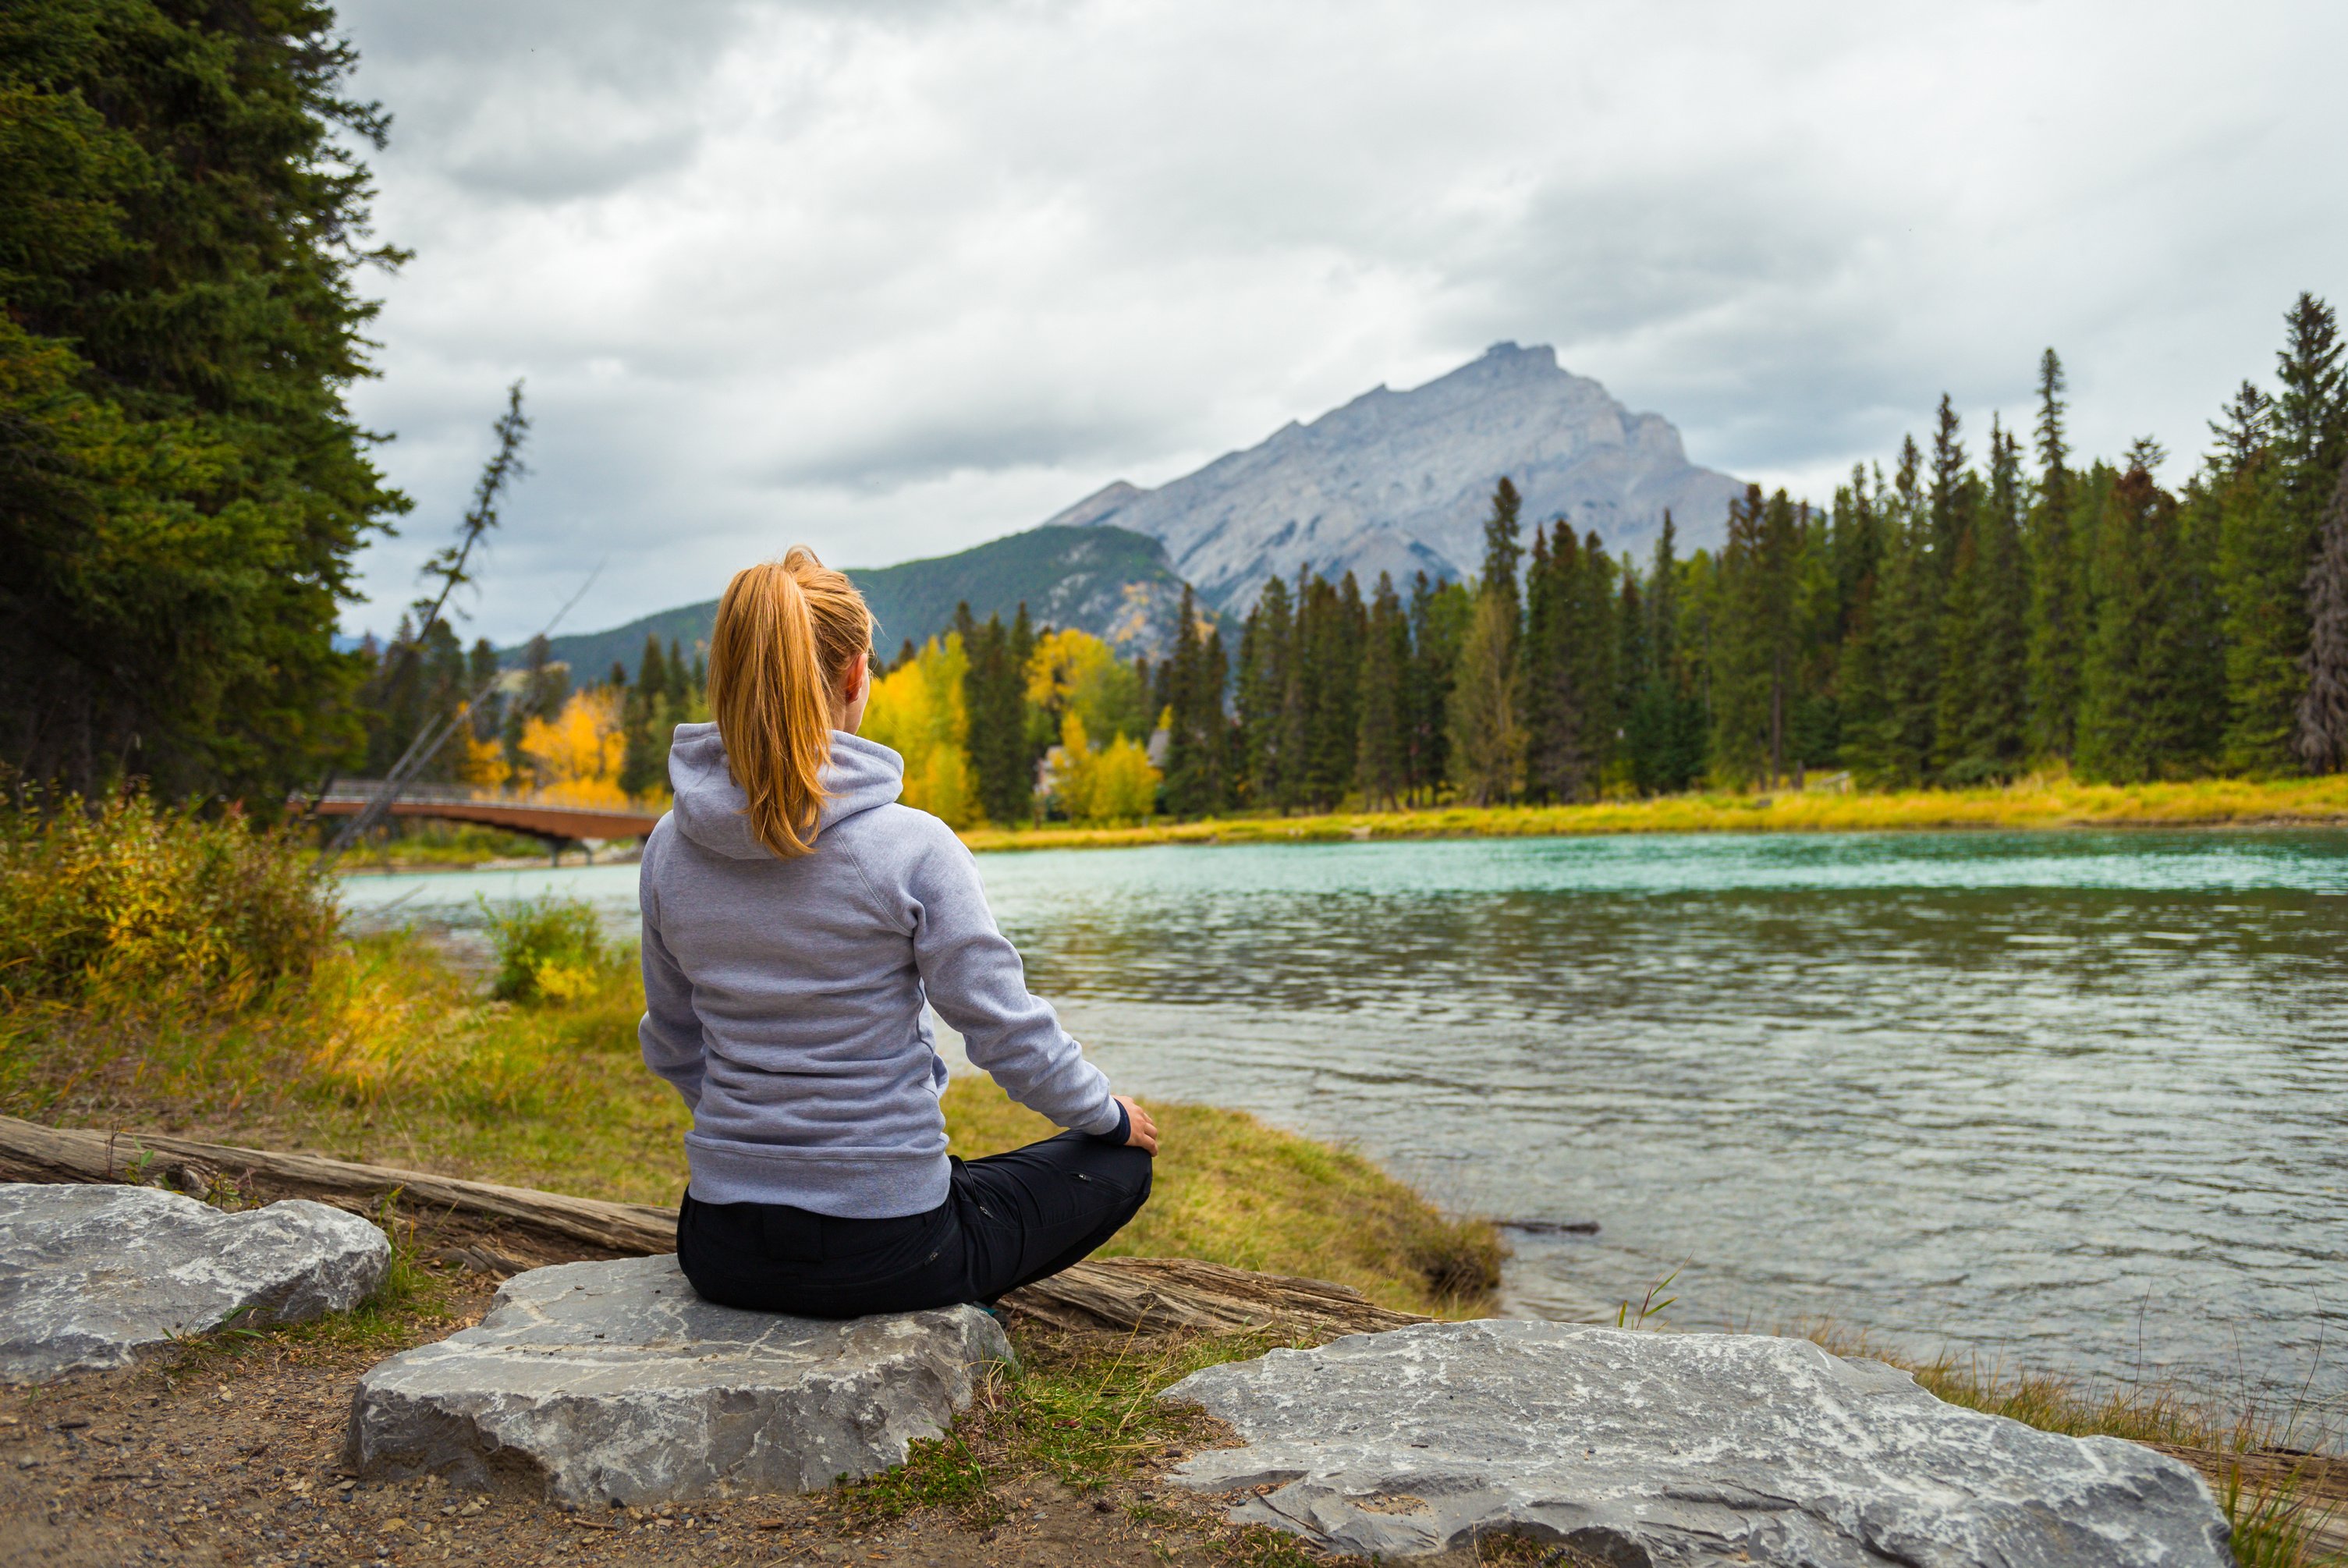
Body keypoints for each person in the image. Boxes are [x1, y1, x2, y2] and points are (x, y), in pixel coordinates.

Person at [637, 547, 1158, 1318]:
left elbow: (674, 1042)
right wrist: (1106, 1115)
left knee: (957, 1178)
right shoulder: (912, 845)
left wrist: (762, 1145)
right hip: (884, 1253)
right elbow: (1003, 1030)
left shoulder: (668, 847)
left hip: (721, 1246)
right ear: (855, 676)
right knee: (1118, 1168)